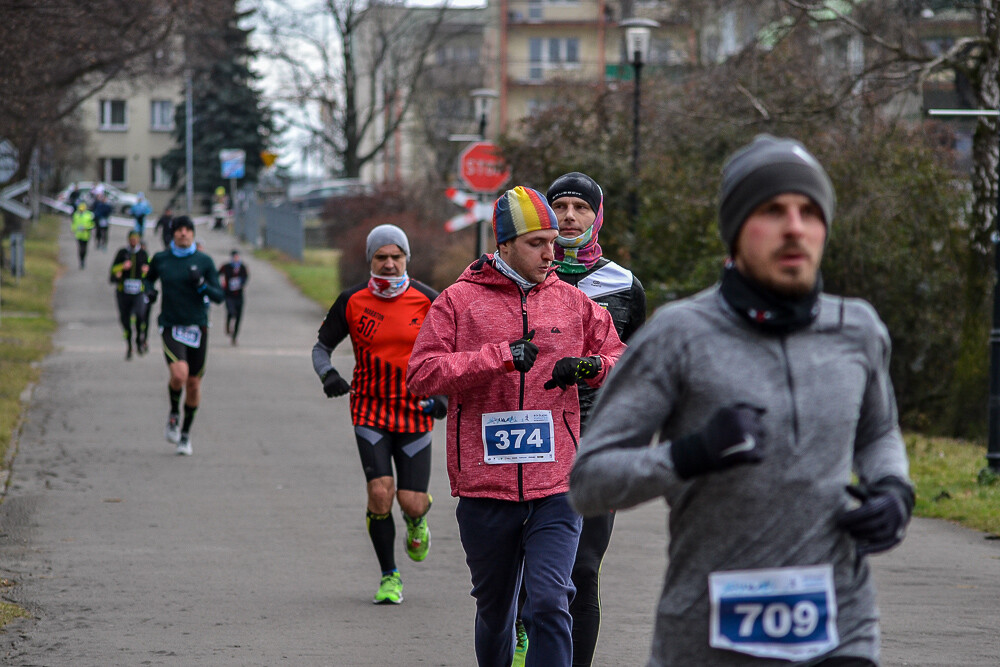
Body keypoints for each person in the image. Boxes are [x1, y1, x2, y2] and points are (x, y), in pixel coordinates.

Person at [568, 135, 914, 667]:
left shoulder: (858, 328)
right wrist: (691, 454)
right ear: (734, 232)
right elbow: (592, 480)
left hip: (840, 623)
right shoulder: (678, 335)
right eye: (772, 210)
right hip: (709, 634)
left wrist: (893, 490)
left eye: (810, 211)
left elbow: (877, 432)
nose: (795, 226)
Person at [406, 186, 626, 667]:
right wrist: (497, 359)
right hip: (486, 487)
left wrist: (590, 366)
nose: (552, 252)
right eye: (537, 242)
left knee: (550, 601)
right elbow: (422, 374)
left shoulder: (572, 302)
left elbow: (622, 358)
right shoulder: (458, 302)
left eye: (553, 241)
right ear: (502, 244)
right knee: (496, 611)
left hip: (556, 484)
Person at [540, 171, 646, 667]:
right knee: (531, 571)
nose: (569, 217)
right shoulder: (523, 276)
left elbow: (643, 370)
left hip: (597, 445)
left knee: (583, 569)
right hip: (534, 440)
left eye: (580, 208)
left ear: (597, 215)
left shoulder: (623, 284)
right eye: (559, 206)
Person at [311, 224, 444, 606]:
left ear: (406, 259)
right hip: (369, 409)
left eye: (395, 257)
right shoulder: (352, 301)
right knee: (379, 493)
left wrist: (445, 399)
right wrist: (329, 375)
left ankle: (417, 519)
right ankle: (390, 576)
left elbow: (453, 355)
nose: (388, 264)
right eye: (380, 257)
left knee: (410, 501)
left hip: (416, 412)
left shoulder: (428, 300)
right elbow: (321, 348)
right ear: (370, 260)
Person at [145, 215, 224, 456]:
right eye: (178, 230)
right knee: (179, 374)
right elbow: (147, 281)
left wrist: (202, 285)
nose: (183, 233)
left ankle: (185, 434)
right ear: (172, 234)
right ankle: (173, 413)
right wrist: (149, 293)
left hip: (198, 327)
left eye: (187, 230)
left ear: (192, 233)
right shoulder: (161, 259)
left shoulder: (204, 261)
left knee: (193, 383)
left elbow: (219, 296)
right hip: (171, 325)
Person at [109, 231, 151, 359]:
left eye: (135, 239)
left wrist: (146, 271)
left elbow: (150, 272)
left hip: (139, 291)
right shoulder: (122, 253)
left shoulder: (143, 254)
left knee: (140, 316)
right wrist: (122, 268)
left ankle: (139, 339)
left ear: (138, 240)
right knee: (125, 319)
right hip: (124, 292)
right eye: (131, 239)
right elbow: (113, 269)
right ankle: (129, 346)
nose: (133, 241)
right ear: (128, 240)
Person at [218, 249, 249, 345]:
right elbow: (216, 274)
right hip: (228, 295)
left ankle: (234, 337)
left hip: (239, 295)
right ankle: (228, 324)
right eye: (234, 257)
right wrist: (221, 286)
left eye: (237, 257)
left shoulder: (243, 267)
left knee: (239, 317)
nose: (236, 259)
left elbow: (246, 278)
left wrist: (241, 283)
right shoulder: (226, 267)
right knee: (231, 312)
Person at [71, 202, 95, 269]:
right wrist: (73, 229)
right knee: (80, 249)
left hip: (86, 235)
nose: (81, 211)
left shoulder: (89, 215)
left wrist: (86, 228)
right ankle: (81, 261)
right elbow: (74, 223)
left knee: (84, 249)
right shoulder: (76, 215)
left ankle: (83, 260)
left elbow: (92, 225)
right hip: (78, 235)